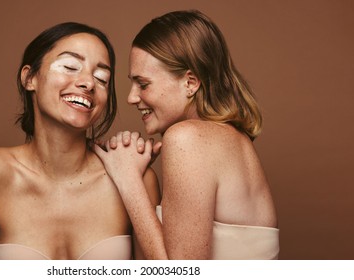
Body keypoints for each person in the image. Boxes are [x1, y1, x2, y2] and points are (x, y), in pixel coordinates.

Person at [0, 22, 159, 260]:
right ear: (29, 78)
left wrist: (131, 181)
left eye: (101, 78)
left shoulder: (136, 178)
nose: (88, 83)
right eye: (70, 66)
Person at [94, 10, 279, 259]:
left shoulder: (187, 138)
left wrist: (128, 178)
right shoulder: (233, 139)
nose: (131, 97)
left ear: (190, 82)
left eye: (144, 84)